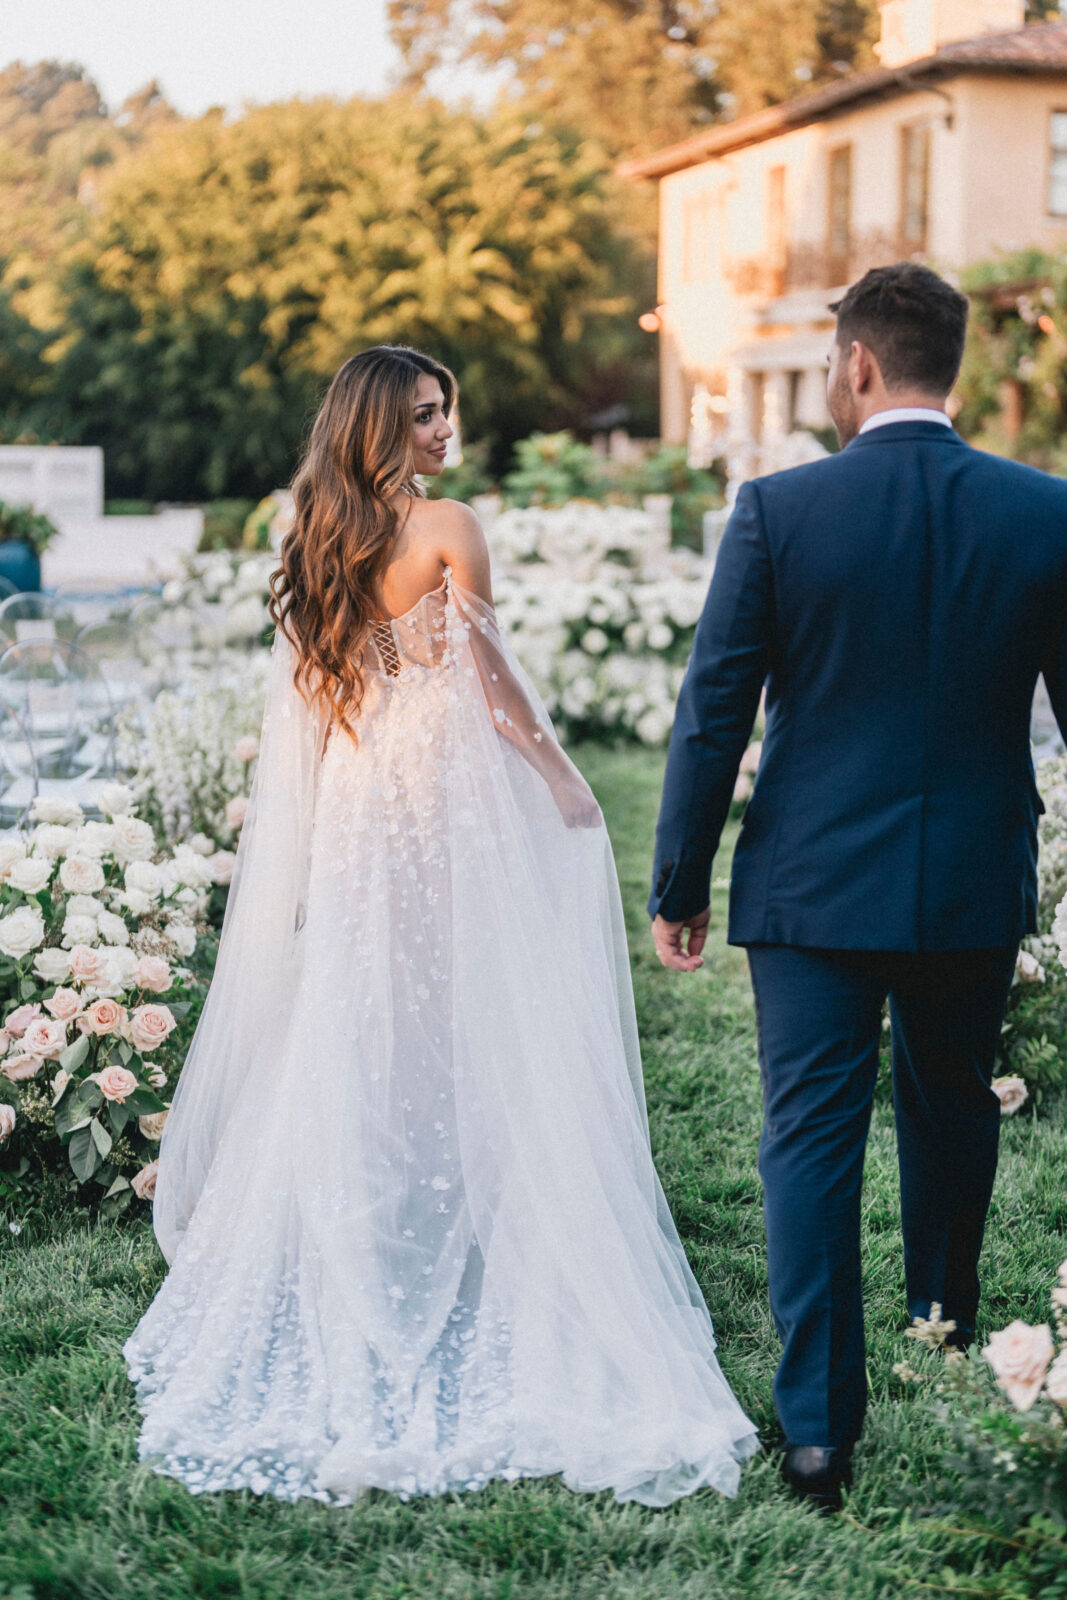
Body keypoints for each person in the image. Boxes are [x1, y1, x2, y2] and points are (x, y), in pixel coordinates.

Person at [124, 345, 758, 1507]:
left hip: (363, 797)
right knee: (466, 994)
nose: (442, 430)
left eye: (444, 410)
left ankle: (387, 1201)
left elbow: (327, 689)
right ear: (380, 428)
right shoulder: (447, 527)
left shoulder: (318, 531)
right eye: (422, 415)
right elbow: (492, 677)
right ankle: (458, 1211)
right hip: (437, 794)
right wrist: (560, 774)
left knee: (368, 1001)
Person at [649, 263, 1067, 1511]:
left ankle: (820, 1433)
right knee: (951, 1106)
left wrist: (679, 878)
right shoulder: (1043, 511)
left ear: (857, 367)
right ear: (953, 368)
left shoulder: (777, 511)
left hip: (813, 886)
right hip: (968, 883)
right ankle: (942, 1332)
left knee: (809, 1138)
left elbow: (710, 712)